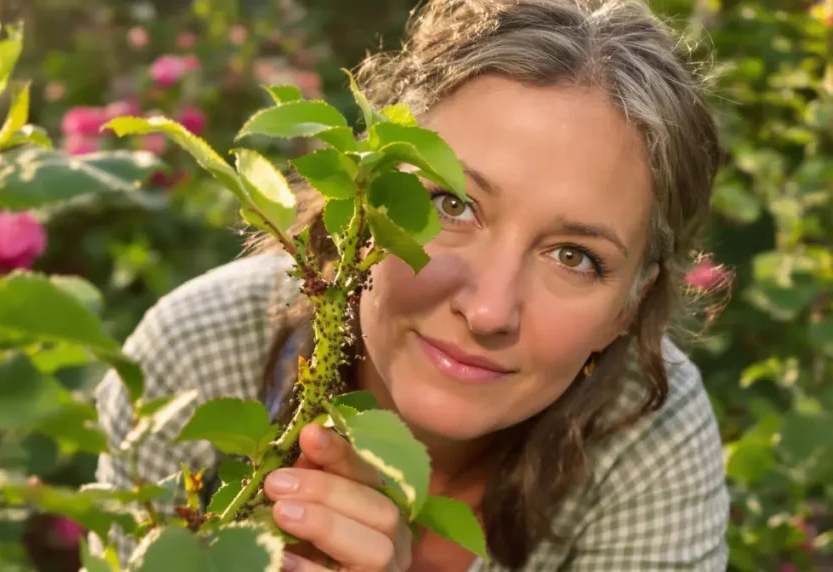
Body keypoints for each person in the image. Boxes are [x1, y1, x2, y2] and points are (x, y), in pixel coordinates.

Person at [92, 0, 730, 569]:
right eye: (451, 204)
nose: (488, 310)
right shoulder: (197, 357)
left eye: (573, 255)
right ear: (365, 198)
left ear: (628, 308)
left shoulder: (649, 437)